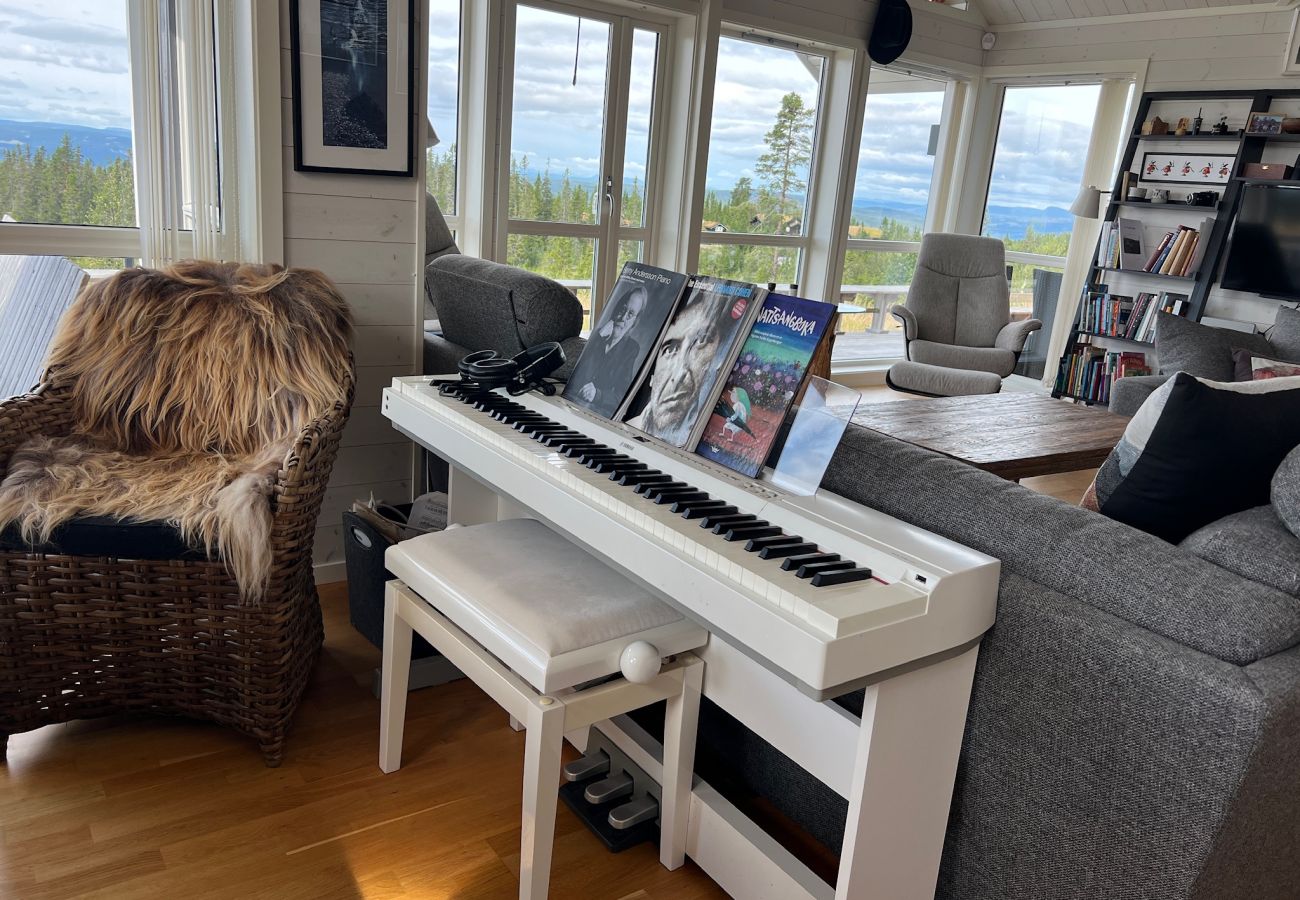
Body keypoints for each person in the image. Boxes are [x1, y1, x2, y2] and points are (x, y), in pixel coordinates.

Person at [627, 288, 733, 446]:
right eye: (670, 349)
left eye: (701, 341)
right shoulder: (627, 428)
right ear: (651, 375)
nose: (679, 374)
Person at [568, 284, 647, 417]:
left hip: (598, 415)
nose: (622, 318)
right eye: (623, 309)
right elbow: (577, 375)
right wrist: (598, 339)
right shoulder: (598, 335)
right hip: (572, 405)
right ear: (616, 309)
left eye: (631, 314)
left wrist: (598, 395)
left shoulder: (631, 349)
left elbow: (622, 394)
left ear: (635, 321)